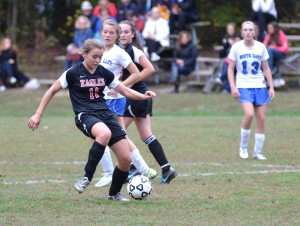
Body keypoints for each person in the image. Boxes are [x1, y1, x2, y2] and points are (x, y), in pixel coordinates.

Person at [27, 39, 156, 201]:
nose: (97, 61)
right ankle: (86, 177)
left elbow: (124, 90)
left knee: (125, 159)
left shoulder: (104, 72)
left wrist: (143, 96)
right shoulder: (73, 73)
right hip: (85, 115)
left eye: (100, 57)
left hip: (105, 114)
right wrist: (38, 114)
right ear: (84, 54)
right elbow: (51, 90)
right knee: (104, 134)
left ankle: (114, 193)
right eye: (94, 56)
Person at [94, 19, 157, 188]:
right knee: (120, 136)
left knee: (102, 135)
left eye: (111, 33)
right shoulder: (99, 50)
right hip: (102, 99)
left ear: (116, 36)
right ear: (101, 33)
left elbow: (137, 74)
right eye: (105, 32)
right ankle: (144, 169)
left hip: (114, 101)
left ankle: (108, 172)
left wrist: (120, 86)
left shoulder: (119, 53)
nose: (108, 35)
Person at [120, 20, 176, 183]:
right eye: (120, 32)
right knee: (147, 136)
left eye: (126, 32)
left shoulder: (134, 51)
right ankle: (166, 169)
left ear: (133, 34)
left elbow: (149, 68)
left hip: (136, 96)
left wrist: (128, 83)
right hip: (139, 96)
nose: (123, 34)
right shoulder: (121, 51)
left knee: (117, 132)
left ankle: (132, 168)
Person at [227, 21, 275, 160]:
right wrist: (233, 86)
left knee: (261, 118)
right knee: (249, 114)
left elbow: (266, 68)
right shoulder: (236, 47)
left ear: (255, 32)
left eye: (250, 30)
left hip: (260, 85)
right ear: (241, 32)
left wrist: (271, 87)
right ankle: (243, 147)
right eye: (245, 30)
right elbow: (230, 69)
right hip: (244, 85)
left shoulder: (261, 47)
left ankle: (257, 151)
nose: (248, 32)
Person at [216, 23, 241, 93]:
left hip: (236, 59)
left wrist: (233, 43)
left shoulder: (238, 36)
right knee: (230, 69)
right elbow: (224, 47)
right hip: (228, 58)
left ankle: (221, 78)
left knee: (231, 68)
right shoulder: (225, 37)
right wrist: (228, 42)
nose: (230, 31)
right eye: (229, 29)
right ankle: (226, 88)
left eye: (231, 29)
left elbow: (237, 47)